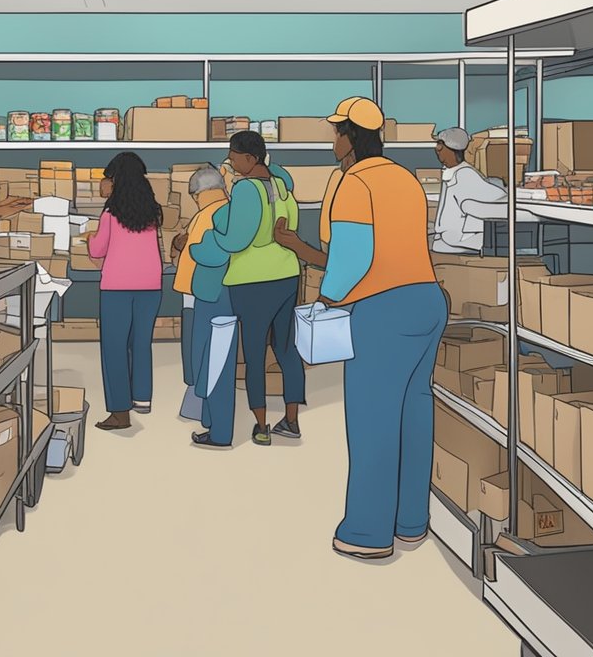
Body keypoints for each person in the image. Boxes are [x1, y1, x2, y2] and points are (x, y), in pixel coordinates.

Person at [273, 97, 446, 560]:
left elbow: (352, 257)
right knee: (414, 412)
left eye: (336, 133)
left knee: (372, 420)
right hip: (426, 301)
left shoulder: (354, 182)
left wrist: (325, 300)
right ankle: (410, 522)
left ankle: (368, 533)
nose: (333, 141)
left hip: (381, 310)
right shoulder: (405, 179)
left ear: (349, 137)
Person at [193, 131, 306, 446]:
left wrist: (218, 221)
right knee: (286, 348)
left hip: (252, 281)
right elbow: (290, 229)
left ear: (250, 158)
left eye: (234, 155)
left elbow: (235, 240)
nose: (230, 161)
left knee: (254, 354)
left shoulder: (245, 190)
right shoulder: (283, 188)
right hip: (286, 275)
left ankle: (261, 426)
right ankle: (292, 420)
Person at [87, 151, 164, 430]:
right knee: (141, 343)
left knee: (115, 348)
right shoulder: (152, 210)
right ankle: (141, 398)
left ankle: (120, 412)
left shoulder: (110, 212)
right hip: (151, 285)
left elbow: (98, 249)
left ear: (116, 179)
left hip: (117, 286)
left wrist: (88, 239)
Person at [169, 165, 237, 447]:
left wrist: (190, 246)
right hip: (210, 294)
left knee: (207, 359)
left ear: (199, 193)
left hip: (204, 295)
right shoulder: (226, 211)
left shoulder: (211, 214)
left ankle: (216, 425)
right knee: (209, 358)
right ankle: (209, 419)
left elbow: (203, 251)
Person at [431, 126, 508, 254]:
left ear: (451, 148)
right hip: (447, 240)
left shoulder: (465, 174)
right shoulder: (452, 172)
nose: (437, 149)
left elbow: (497, 201)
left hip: (457, 242)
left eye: (440, 144)